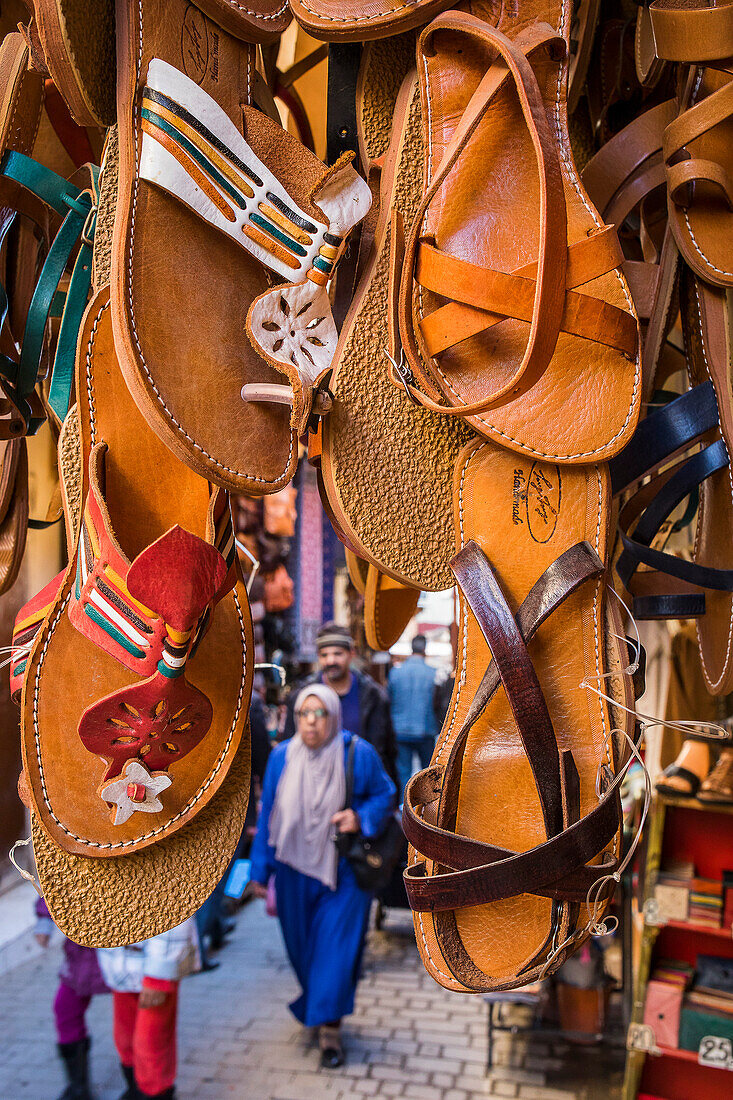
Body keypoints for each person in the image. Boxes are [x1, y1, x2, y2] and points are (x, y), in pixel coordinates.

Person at [250, 683, 395, 1068]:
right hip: (293, 869)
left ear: (333, 716)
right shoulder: (282, 756)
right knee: (302, 950)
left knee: (335, 951)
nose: (311, 722)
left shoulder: (356, 752)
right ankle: (318, 1003)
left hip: (343, 871)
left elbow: (385, 793)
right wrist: (259, 869)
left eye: (319, 714)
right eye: (303, 714)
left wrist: (359, 818)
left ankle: (330, 1030)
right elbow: (269, 816)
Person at [97, 918, 200, 1100]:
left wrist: (159, 974)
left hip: (155, 968)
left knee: (150, 1045)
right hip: (120, 967)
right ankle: (136, 1090)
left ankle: (155, 1092)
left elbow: (175, 911)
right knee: (125, 1039)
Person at [282, 622, 397, 784]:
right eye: (324, 655)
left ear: (351, 653)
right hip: (313, 784)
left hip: (360, 786)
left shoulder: (374, 696)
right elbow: (290, 745)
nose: (330, 660)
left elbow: (387, 750)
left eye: (337, 654)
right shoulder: (301, 696)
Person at [34, 896, 109, 1100]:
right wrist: (44, 921)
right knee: (65, 1009)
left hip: (122, 952)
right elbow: (56, 882)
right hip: (82, 953)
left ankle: (144, 1088)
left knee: (135, 1021)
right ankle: (78, 1088)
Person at [388, 634, 438, 796]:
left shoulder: (395, 674)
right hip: (425, 729)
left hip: (400, 729)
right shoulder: (432, 673)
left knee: (403, 773)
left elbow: (390, 699)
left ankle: (404, 808)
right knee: (427, 774)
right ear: (424, 648)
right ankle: (424, 812)